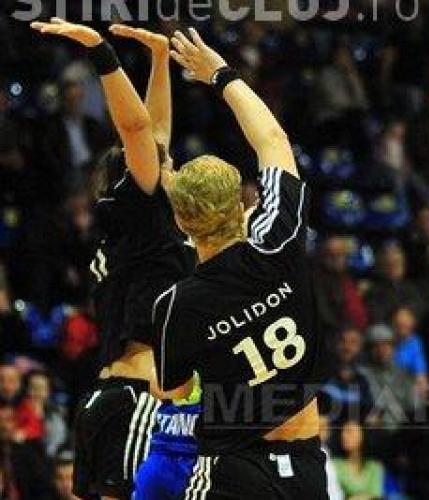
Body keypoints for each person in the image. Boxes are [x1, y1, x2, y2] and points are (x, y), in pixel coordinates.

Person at [154, 28, 327, 498]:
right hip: (306, 462)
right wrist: (221, 73)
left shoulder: (177, 303)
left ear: (182, 222)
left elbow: (173, 393)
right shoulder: (278, 240)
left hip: (231, 467)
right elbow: (273, 139)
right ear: (242, 205)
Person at [30, 18, 193, 500]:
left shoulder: (141, 221)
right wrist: (101, 51)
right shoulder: (144, 210)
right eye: (166, 163)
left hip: (113, 397)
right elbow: (138, 126)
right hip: (135, 403)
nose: (172, 164)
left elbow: (153, 132)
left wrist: (160, 59)